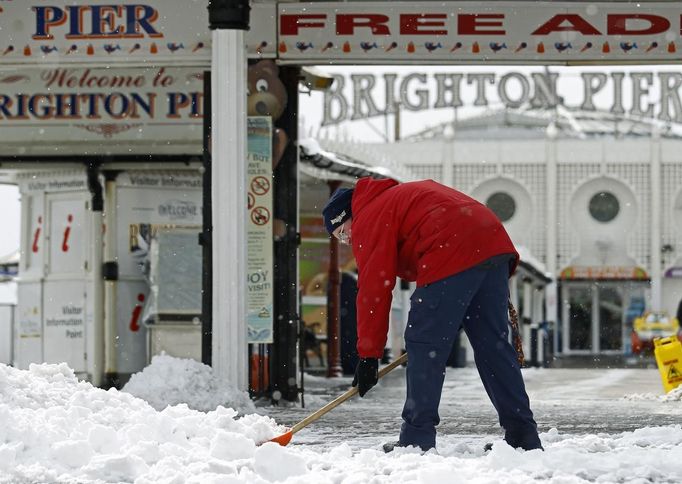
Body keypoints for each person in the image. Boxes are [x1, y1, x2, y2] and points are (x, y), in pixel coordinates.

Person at [321, 176, 542, 453]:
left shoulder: (369, 215)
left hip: (450, 248)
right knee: (493, 348)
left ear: (348, 217)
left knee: (424, 344)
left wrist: (368, 355)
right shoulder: (394, 199)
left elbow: (374, 288)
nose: (348, 241)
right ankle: (523, 435)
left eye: (342, 233)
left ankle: (416, 436)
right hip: (492, 242)